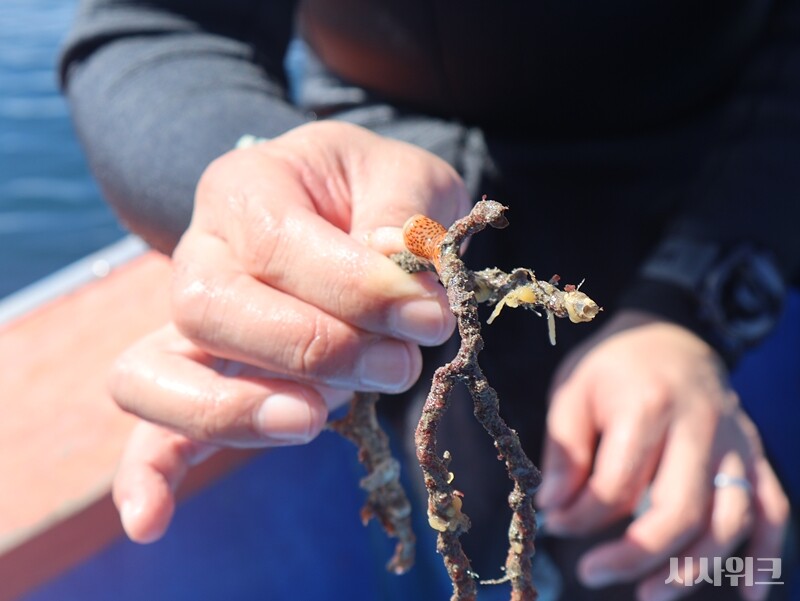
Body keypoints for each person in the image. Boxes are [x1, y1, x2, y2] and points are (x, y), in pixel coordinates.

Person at [59, 1, 798, 599]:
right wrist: (261, 174)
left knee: (712, 559)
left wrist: (689, 302)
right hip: (379, 209)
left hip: (705, 199)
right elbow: (158, 25)